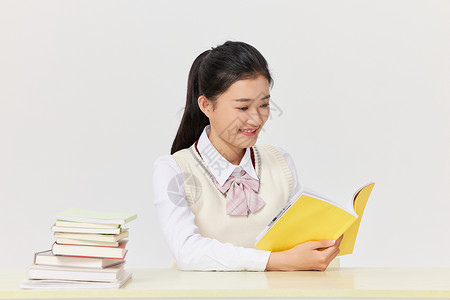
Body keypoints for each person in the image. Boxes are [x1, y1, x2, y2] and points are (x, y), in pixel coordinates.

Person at [152, 41, 342, 271]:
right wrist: (273, 261)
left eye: (263, 105)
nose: (256, 119)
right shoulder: (174, 170)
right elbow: (188, 252)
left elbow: (301, 235)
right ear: (206, 105)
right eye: (243, 108)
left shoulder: (280, 162)